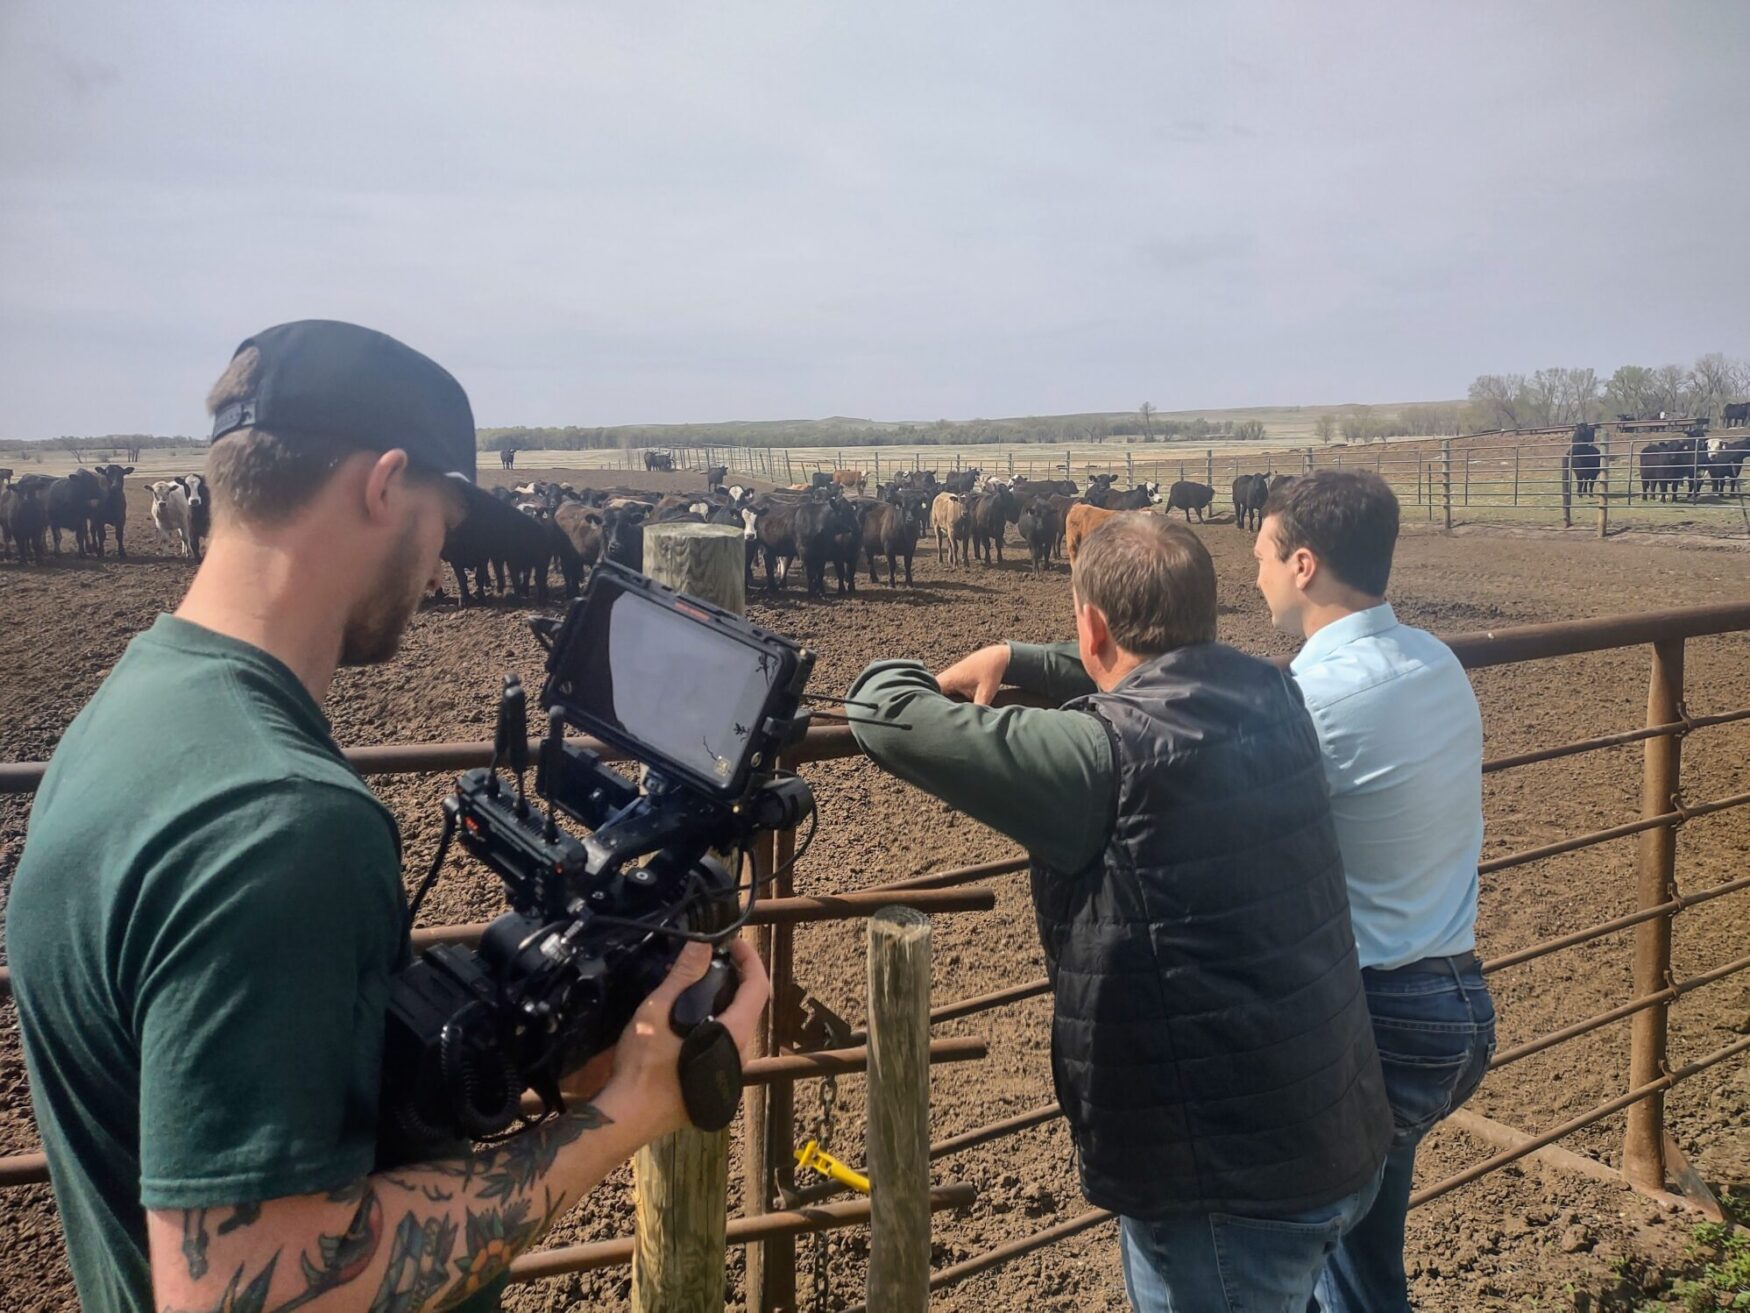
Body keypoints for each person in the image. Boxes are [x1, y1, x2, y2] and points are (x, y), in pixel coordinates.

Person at [6, 320, 768, 1313]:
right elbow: (248, 1288)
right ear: (383, 485)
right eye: (443, 523)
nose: (439, 557)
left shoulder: (138, 713)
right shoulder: (277, 820)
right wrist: (630, 1111)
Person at [848, 513, 1389, 1313]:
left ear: (1092, 627)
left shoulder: (1100, 754)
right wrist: (1022, 659)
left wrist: (920, 657)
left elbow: (881, 707)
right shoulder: (1273, 688)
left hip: (1222, 1182)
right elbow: (1166, 672)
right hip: (1330, 1124)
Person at [1252, 470, 1495, 1313]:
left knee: (1339, 1282)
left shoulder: (1313, 698)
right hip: (1454, 1001)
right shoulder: (1437, 661)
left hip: (1375, 1022)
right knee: (1361, 1258)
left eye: (1263, 556)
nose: (1256, 575)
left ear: (1305, 564)